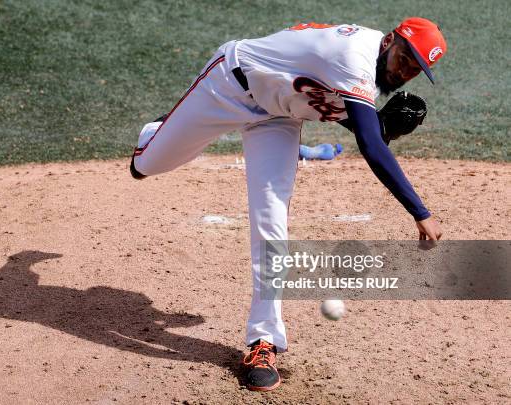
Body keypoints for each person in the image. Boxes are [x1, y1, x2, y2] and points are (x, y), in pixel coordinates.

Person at [129, 17, 446, 392]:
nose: (405, 71)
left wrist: (380, 127)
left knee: (272, 221)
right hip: (230, 85)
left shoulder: (368, 73)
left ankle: (263, 343)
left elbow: (352, 121)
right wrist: (420, 211)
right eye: (405, 58)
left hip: (279, 118)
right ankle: (159, 131)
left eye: (415, 69)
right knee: (146, 165)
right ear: (390, 40)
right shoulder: (352, 54)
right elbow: (370, 145)